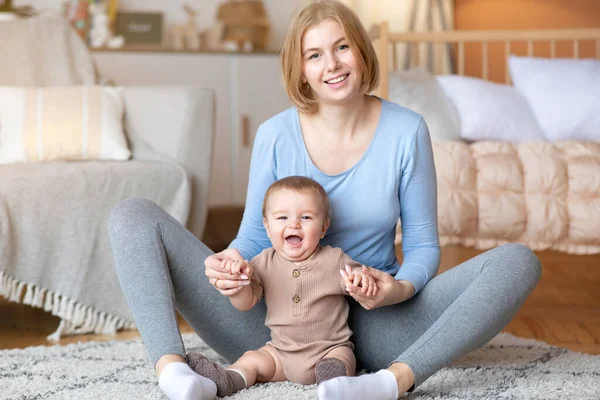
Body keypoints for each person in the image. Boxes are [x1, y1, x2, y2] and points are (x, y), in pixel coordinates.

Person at [107, 1, 541, 399]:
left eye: (342, 48)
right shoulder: (275, 134)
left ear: (362, 53)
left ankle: (393, 381)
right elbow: (255, 236)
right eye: (314, 55)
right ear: (300, 70)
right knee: (132, 215)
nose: (331, 64)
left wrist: (398, 289)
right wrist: (230, 264)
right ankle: (172, 371)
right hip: (270, 327)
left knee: (518, 261)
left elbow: (424, 245)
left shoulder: (406, 131)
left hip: (376, 328)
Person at [185, 176, 377, 398]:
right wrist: (238, 285)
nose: (293, 224)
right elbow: (245, 303)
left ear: (323, 227)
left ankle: (334, 382)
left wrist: (361, 282)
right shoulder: (262, 263)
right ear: (267, 227)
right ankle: (229, 379)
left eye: (305, 217)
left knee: (343, 357)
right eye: (282, 217)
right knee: (253, 360)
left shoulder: (335, 259)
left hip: (328, 349)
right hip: (280, 354)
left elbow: (358, 279)